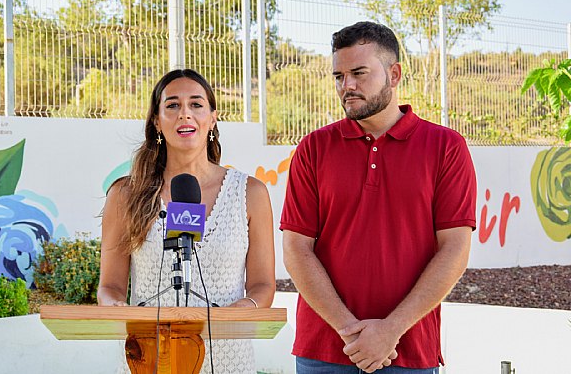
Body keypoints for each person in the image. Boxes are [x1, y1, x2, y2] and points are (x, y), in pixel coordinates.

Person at [281, 21, 477, 374]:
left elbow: (455, 249)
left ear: (394, 74)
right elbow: (296, 249)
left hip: (408, 351)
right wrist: (350, 331)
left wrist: (390, 331)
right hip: (323, 351)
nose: (347, 86)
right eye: (339, 76)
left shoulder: (446, 147)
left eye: (359, 73)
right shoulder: (314, 148)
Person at [98, 68, 276, 374]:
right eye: (172, 105)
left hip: (227, 359)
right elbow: (109, 286)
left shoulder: (250, 193)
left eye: (196, 104)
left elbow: (263, 286)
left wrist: (241, 310)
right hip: (151, 358)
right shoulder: (126, 194)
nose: (185, 114)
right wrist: (116, 307)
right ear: (156, 121)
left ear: (213, 118)